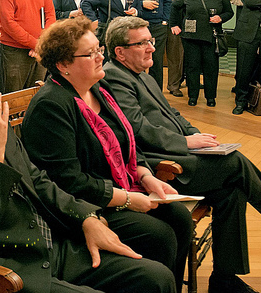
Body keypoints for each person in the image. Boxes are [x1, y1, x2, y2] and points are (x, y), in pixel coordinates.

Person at [0, 28, 176, 293]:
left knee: (156, 278)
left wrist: (86, 217)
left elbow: (36, 179)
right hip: (5, 270)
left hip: (49, 243)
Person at [101, 15, 261, 293]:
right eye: (143, 43)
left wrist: (196, 135)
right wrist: (186, 143)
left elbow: (173, 114)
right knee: (233, 163)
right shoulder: (114, 78)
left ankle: (225, 280)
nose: (152, 47)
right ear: (119, 51)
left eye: (151, 40)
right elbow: (137, 129)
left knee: (233, 190)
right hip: (161, 167)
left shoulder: (140, 74)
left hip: (177, 152)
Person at [22, 17, 192, 291]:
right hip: (84, 206)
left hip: (121, 187)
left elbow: (128, 141)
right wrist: (126, 199)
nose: (101, 57)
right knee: (158, 235)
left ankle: (168, 286)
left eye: (99, 49)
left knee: (179, 218)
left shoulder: (98, 87)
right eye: (91, 54)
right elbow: (67, 181)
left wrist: (146, 175)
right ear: (63, 65)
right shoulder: (51, 106)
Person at [170, 0, 233, 107]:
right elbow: (174, 5)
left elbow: (230, 12)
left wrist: (220, 18)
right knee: (192, 67)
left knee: (211, 68)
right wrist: (174, 24)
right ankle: (193, 96)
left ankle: (210, 97)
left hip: (210, 36)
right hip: (190, 37)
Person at [128, 0, 172, 89]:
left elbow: (167, 0)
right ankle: (139, 91)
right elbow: (129, 4)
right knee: (139, 60)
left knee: (157, 62)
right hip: (140, 25)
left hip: (159, 25)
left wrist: (165, 19)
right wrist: (142, 4)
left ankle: (157, 94)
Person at [160, 0, 192, 97]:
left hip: (177, 22)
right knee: (156, 56)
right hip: (159, 21)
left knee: (176, 56)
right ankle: (155, 87)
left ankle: (174, 85)